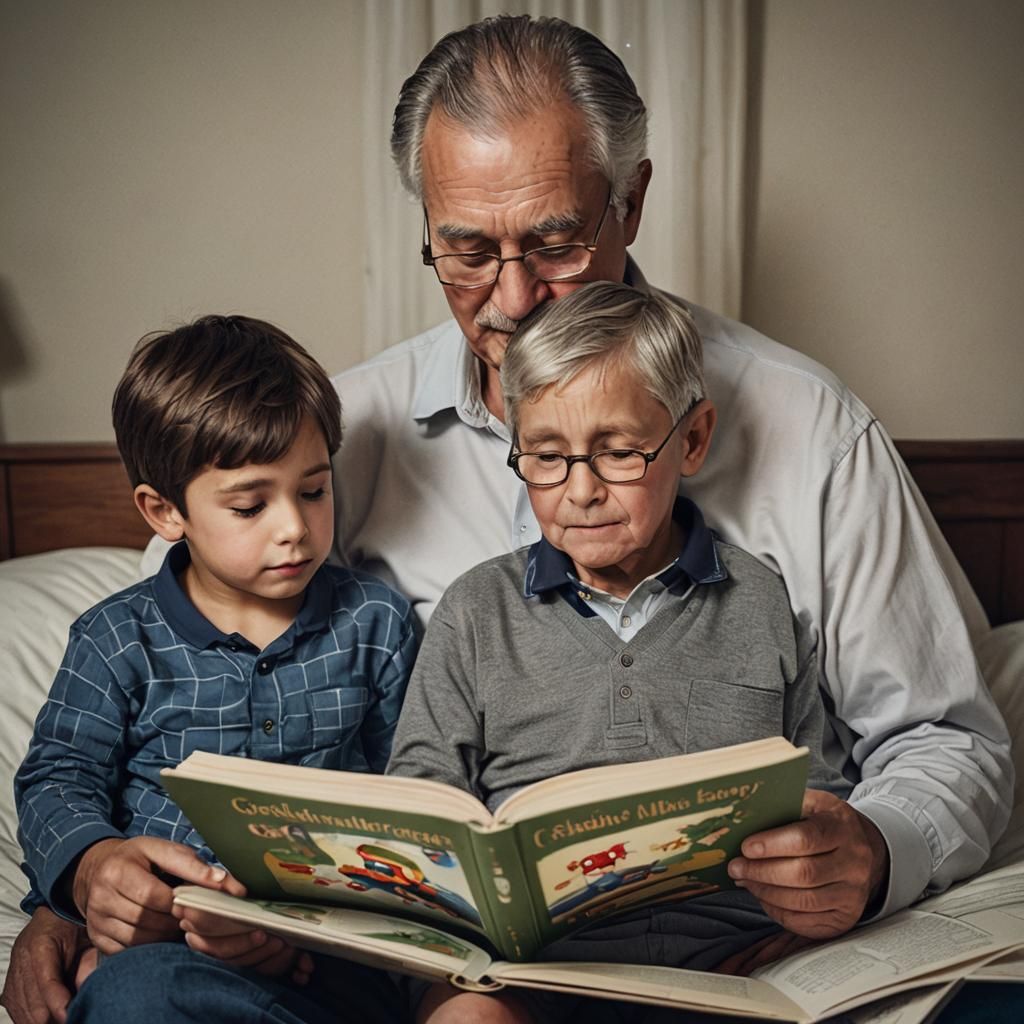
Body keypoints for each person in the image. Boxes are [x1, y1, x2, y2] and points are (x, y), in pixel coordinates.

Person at [3, 12, 1014, 1024]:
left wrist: (874, 849)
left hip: (743, 951)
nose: (517, 298)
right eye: (467, 253)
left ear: (633, 201)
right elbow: (173, 662)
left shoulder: (811, 428)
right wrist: (87, 879)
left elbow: (952, 738)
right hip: (420, 967)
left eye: (556, 242)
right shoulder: (338, 440)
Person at [387, 281, 853, 1023]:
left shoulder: (759, 600)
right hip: (527, 974)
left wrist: (806, 907)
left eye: (618, 453)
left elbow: (820, 792)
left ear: (692, 439)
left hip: (726, 964)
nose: (581, 491)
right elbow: (420, 801)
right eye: (546, 456)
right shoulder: (475, 611)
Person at [12, 315, 416, 1024]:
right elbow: (57, 775)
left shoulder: (376, 626)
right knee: (132, 996)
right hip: (174, 949)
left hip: (333, 951)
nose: (293, 525)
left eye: (314, 491)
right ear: (164, 511)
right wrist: (92, 867)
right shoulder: (116, 638)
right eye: (250, 505)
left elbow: (413, 795)